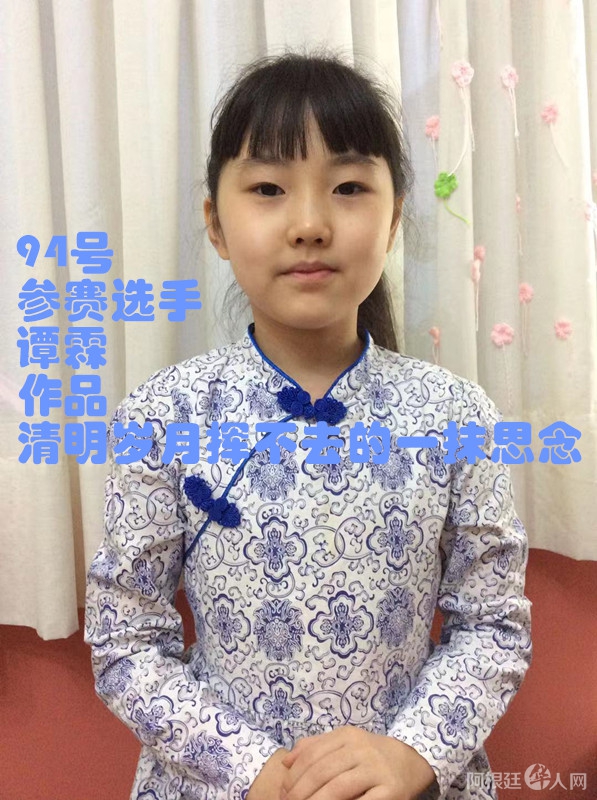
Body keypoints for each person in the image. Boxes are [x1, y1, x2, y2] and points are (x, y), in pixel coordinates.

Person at [84, 49, 532, 800]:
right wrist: (255, 772)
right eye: (267, 188)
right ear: (215, 224)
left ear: (393, 219)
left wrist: (407, 756)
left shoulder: (457, 416)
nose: (310, 224)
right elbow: (125, 641)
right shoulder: (164, 416)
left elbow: (493, 627)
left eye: (349, 187)